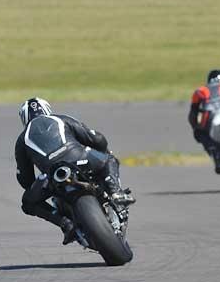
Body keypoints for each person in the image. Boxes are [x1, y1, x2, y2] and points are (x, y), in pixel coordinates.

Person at [15, 98, 134, 244]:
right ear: (47, 109)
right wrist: (101, 150)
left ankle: (64, 223)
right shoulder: (62, 119)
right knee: (109, 159)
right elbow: (96, 139)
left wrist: (40, 184)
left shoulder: (22, 140)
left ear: (24, 118)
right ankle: (116, 193)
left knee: (28, 202)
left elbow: (26, 180)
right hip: (80, 159)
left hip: (51, 176)